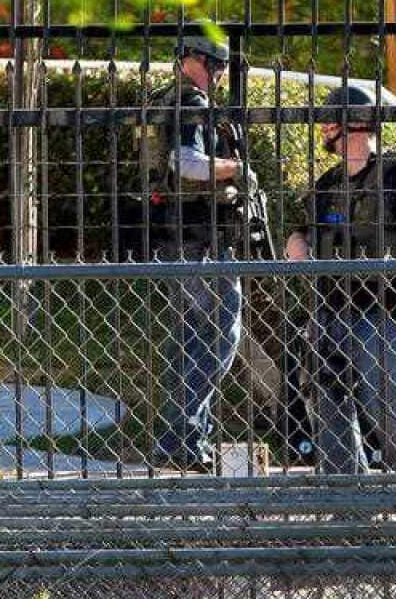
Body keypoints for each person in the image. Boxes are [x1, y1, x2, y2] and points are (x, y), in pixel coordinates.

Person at [284, 84, 396, 475]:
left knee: (390, 411)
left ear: (355, 123)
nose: (323, 127)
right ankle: (347, 499)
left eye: (330, 119)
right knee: (328, 406)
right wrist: (298, 247)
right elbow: (299, 233)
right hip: (331, 314)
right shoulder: (326, 184)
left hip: (386, 315)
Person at [149, 35, 257, 472]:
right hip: (198, 235)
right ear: (192, 60)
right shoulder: (188, 103)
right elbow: (186, 162)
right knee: (221, 337)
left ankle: (191, 441)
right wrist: (237, 168)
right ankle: (182, 436)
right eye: (213, 64)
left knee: (193, 341)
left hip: (177, 233)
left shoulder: (163, 99)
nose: (218, 74)